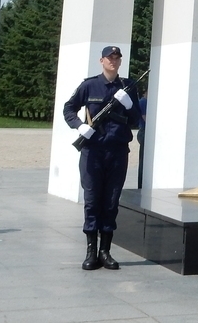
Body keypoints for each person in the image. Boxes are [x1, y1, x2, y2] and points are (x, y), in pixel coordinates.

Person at [63, 45, 141, 271]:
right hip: (92, 152)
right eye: (110, 58)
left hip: (117, 151)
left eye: (117, 58)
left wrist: (128, 104)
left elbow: (137, 119)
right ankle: (91, 251)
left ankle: (105, 251)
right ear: (102, 61)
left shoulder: (128, 87)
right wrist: (79, 126)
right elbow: (69, 108)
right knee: (92, 200)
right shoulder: (89, 85)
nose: (114, 62)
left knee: (111, 201)